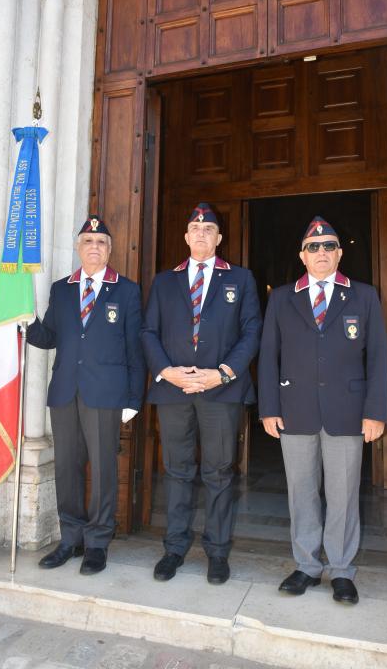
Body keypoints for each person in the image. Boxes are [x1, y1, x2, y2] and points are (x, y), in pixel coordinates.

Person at [258, 216, 387, 604]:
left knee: (344, 493)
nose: (321, 252)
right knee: (301, 492)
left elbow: (379, 357)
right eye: (313, 247)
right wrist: (268, 408)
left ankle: (342, 570)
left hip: (347, 411)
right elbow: (269, 356)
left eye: (328, 246)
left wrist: (375, 411)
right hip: (294, 408)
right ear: (302, 255)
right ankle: (306, 566)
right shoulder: (282, 297)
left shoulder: (363, 295)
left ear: (339, 253)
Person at [142, 202, 262, 584]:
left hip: (220, 392)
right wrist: (166, 372)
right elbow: (148, 333)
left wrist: (222, 374)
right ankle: (174, 548)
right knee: (177, 471)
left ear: (219, 238)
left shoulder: (240, 279)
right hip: (174, 391)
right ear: (186, 237)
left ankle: (217, 552)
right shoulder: (164, 281)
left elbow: (251, 332)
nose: (201, 234)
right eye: (195, 229)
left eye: (208, 229)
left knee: (219, 472)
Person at [27, 215, 146, 575]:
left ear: (109, 250)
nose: (94, 247)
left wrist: (132, 399)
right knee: (67, 468)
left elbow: (134, 349)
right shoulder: (61, 289)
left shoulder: (126, 290)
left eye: (100, 242)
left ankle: (97, 542)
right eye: (87, 241)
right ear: (78, 248)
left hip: (106, 395)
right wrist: (26, 323)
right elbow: (50, 337)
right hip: (65, 391)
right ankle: (71, 539)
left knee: (104, 469)